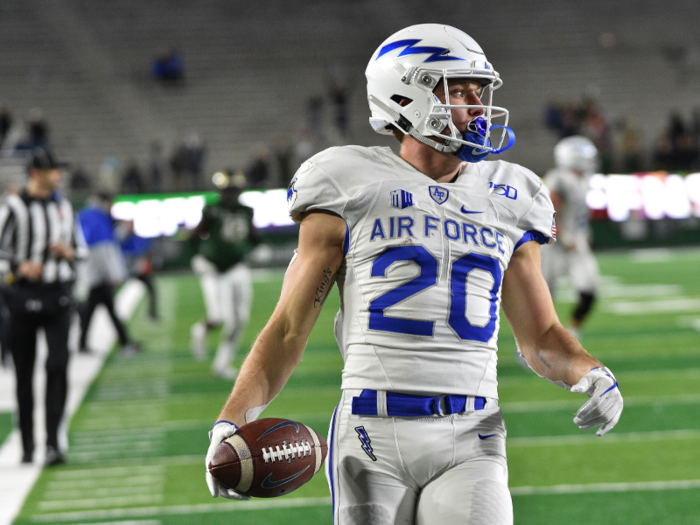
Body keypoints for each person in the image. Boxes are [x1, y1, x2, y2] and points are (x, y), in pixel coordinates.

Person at [204, 24, 624, 524]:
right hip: (370, 433)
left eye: (479, 91)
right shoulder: (348, 182)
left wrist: (591, 374)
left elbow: (542, 337)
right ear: (407, 94)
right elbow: (290, 329)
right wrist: (231, 419)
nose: (478, 106)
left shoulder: (513, 194)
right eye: (460, 90)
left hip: (474, 430)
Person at [0, 147, 87, 466]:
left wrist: (69, 252)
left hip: (58, 295)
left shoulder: (63, 205)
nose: (59, 175)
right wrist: (18, 266)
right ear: (35, 173)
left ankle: (52, 443)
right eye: (53, 170)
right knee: (24, 374)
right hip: (22, 296)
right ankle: (26, 444)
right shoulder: (13, 207)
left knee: (57, 367)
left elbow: (82, 250)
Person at [190, 170, 257, 380]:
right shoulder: (212, 210)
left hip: (237, 267)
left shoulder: (246, 211)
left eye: (233, 190)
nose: (230, 194)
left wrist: (258, 247)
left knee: (239, 319)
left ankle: (222, 362)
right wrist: (197, 258)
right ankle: (200, 330)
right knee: (219, 317)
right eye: (227, 190)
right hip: (215, 269)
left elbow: (254, 235)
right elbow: (195, 235)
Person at [540, 136, 601, 341]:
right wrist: (564, 236)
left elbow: (579, 216)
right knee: (544, 294)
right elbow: (553, 209)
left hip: (577, 242)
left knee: (589, 288)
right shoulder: (560, 177)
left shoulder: (583, 181)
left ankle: (573, 332)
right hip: (554, 243)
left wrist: (584, 236)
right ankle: (533, 341)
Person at [77, 193, 140, 355]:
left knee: (98, 311)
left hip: (95, 275)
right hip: (98, 276)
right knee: (104, 311)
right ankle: (124, 341)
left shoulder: (89, 216)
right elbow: (102, 249)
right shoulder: (96, 217)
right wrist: (114, 274)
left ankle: (85, 343)